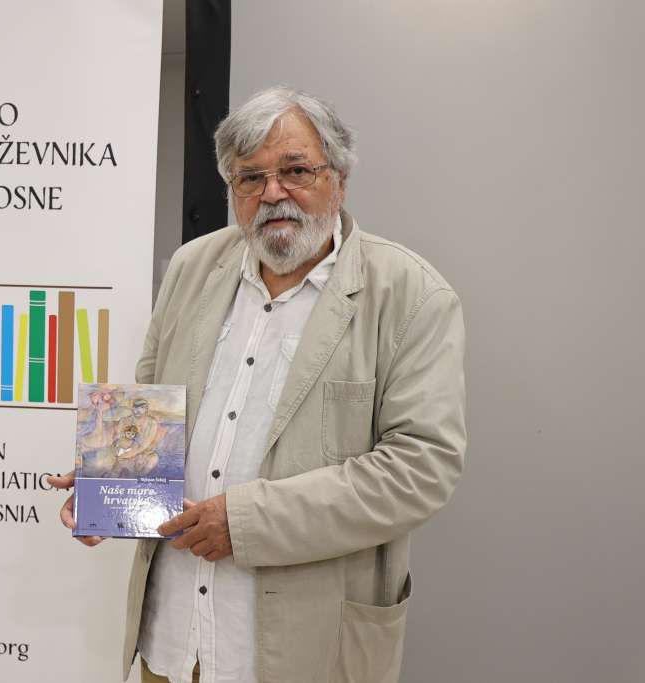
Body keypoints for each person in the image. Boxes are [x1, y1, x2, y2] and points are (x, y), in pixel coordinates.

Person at [49, 85, 467, 683]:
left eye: (296, 171)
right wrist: (112, 484)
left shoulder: (411, 295)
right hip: (174, 644)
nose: (272, 193)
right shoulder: (192, 266)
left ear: (339, 179)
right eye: (250, 178)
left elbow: (420, 468)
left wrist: (245, 524)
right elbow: (150, 402)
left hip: (304, 653)